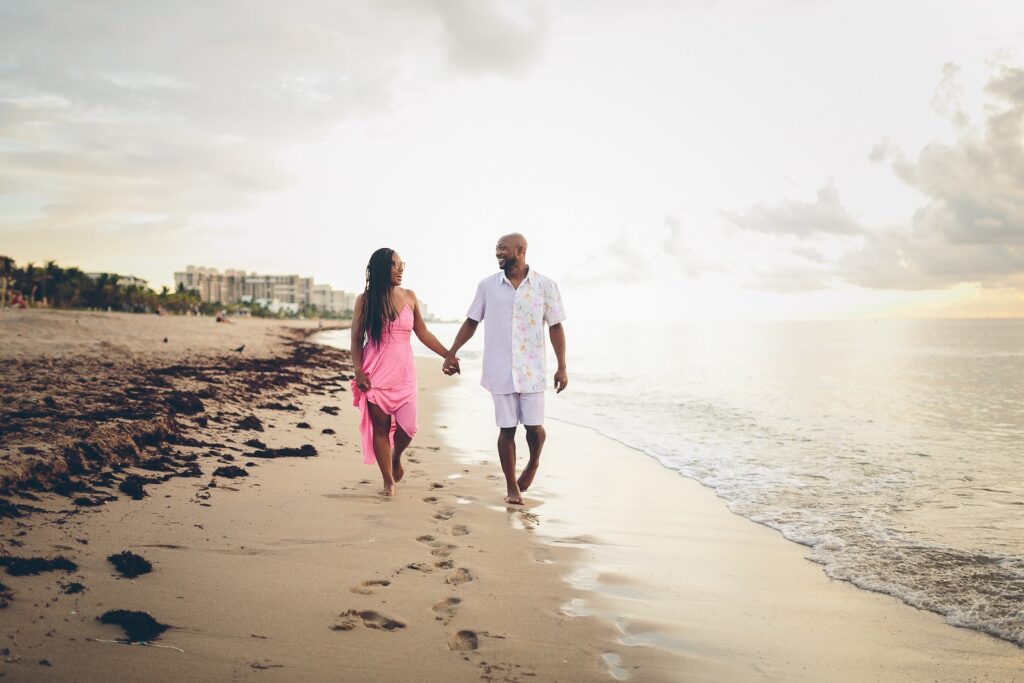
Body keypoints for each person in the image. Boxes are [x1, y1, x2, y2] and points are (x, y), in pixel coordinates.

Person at [444, 233, 567, 505]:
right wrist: (452, 352)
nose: (498, 253)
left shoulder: (545, 285)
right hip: (499, 369)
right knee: (506, 429)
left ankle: (533, 463)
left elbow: (556, 326)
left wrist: (562, 366)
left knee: (534, 428)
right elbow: (472, 321)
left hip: (533, 370)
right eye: (496, 249)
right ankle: (512, 487)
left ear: (520, 250)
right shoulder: (487, 286)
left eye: (503, 248)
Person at [351, 248, 452, 497]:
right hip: (376, 375)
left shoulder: (410, 297)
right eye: (395, 264)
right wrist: (358, 372)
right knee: (381, 427)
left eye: (402, 264)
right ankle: (388, 481)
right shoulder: (365, 300)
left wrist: (447, 354)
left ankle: (396, 456)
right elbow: (356, 338)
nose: (401, 268)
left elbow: (424, 334)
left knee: (409, 428)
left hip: (405, 376)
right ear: (382, 268)